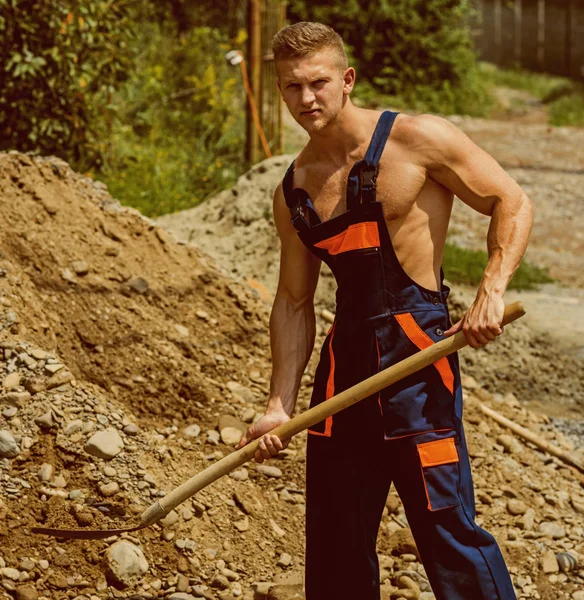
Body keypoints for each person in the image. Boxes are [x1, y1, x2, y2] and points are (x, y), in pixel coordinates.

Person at [237, 21, 533, 600]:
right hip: (341, 380)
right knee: (334, 547)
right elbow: (294, 302)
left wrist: (491, 289)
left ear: (346, 80)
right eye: (291, 87)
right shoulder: (294, 189)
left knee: (448, 532)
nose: (306, 99)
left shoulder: (418, 141)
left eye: (318, 82)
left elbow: (510, 201)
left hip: (418, 367)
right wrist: (279, 405)